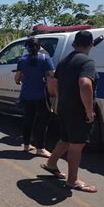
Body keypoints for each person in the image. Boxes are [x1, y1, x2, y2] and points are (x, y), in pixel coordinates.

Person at [40, 30, 98, 193]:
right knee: (76, 146)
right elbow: (85, 83)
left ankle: (51, 164)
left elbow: (52, 83)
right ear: (91, 45)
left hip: (64, 108)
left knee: (65, 139)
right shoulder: (87, 62)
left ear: (74, 44)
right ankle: (72, 181)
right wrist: (89, 110)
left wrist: (60, 99)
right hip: (78, 111)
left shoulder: (64, 61)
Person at [14, 37, 55, 157]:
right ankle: (40, 148)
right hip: (41, 95)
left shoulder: (22, 60)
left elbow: (17, 79)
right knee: (41, 122)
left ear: (26, 48)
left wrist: (24, 80)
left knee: (28, 120)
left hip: (26, 95)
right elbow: (51, 74)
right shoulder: (45, 58)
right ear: (39, 47)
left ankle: (26, 146)